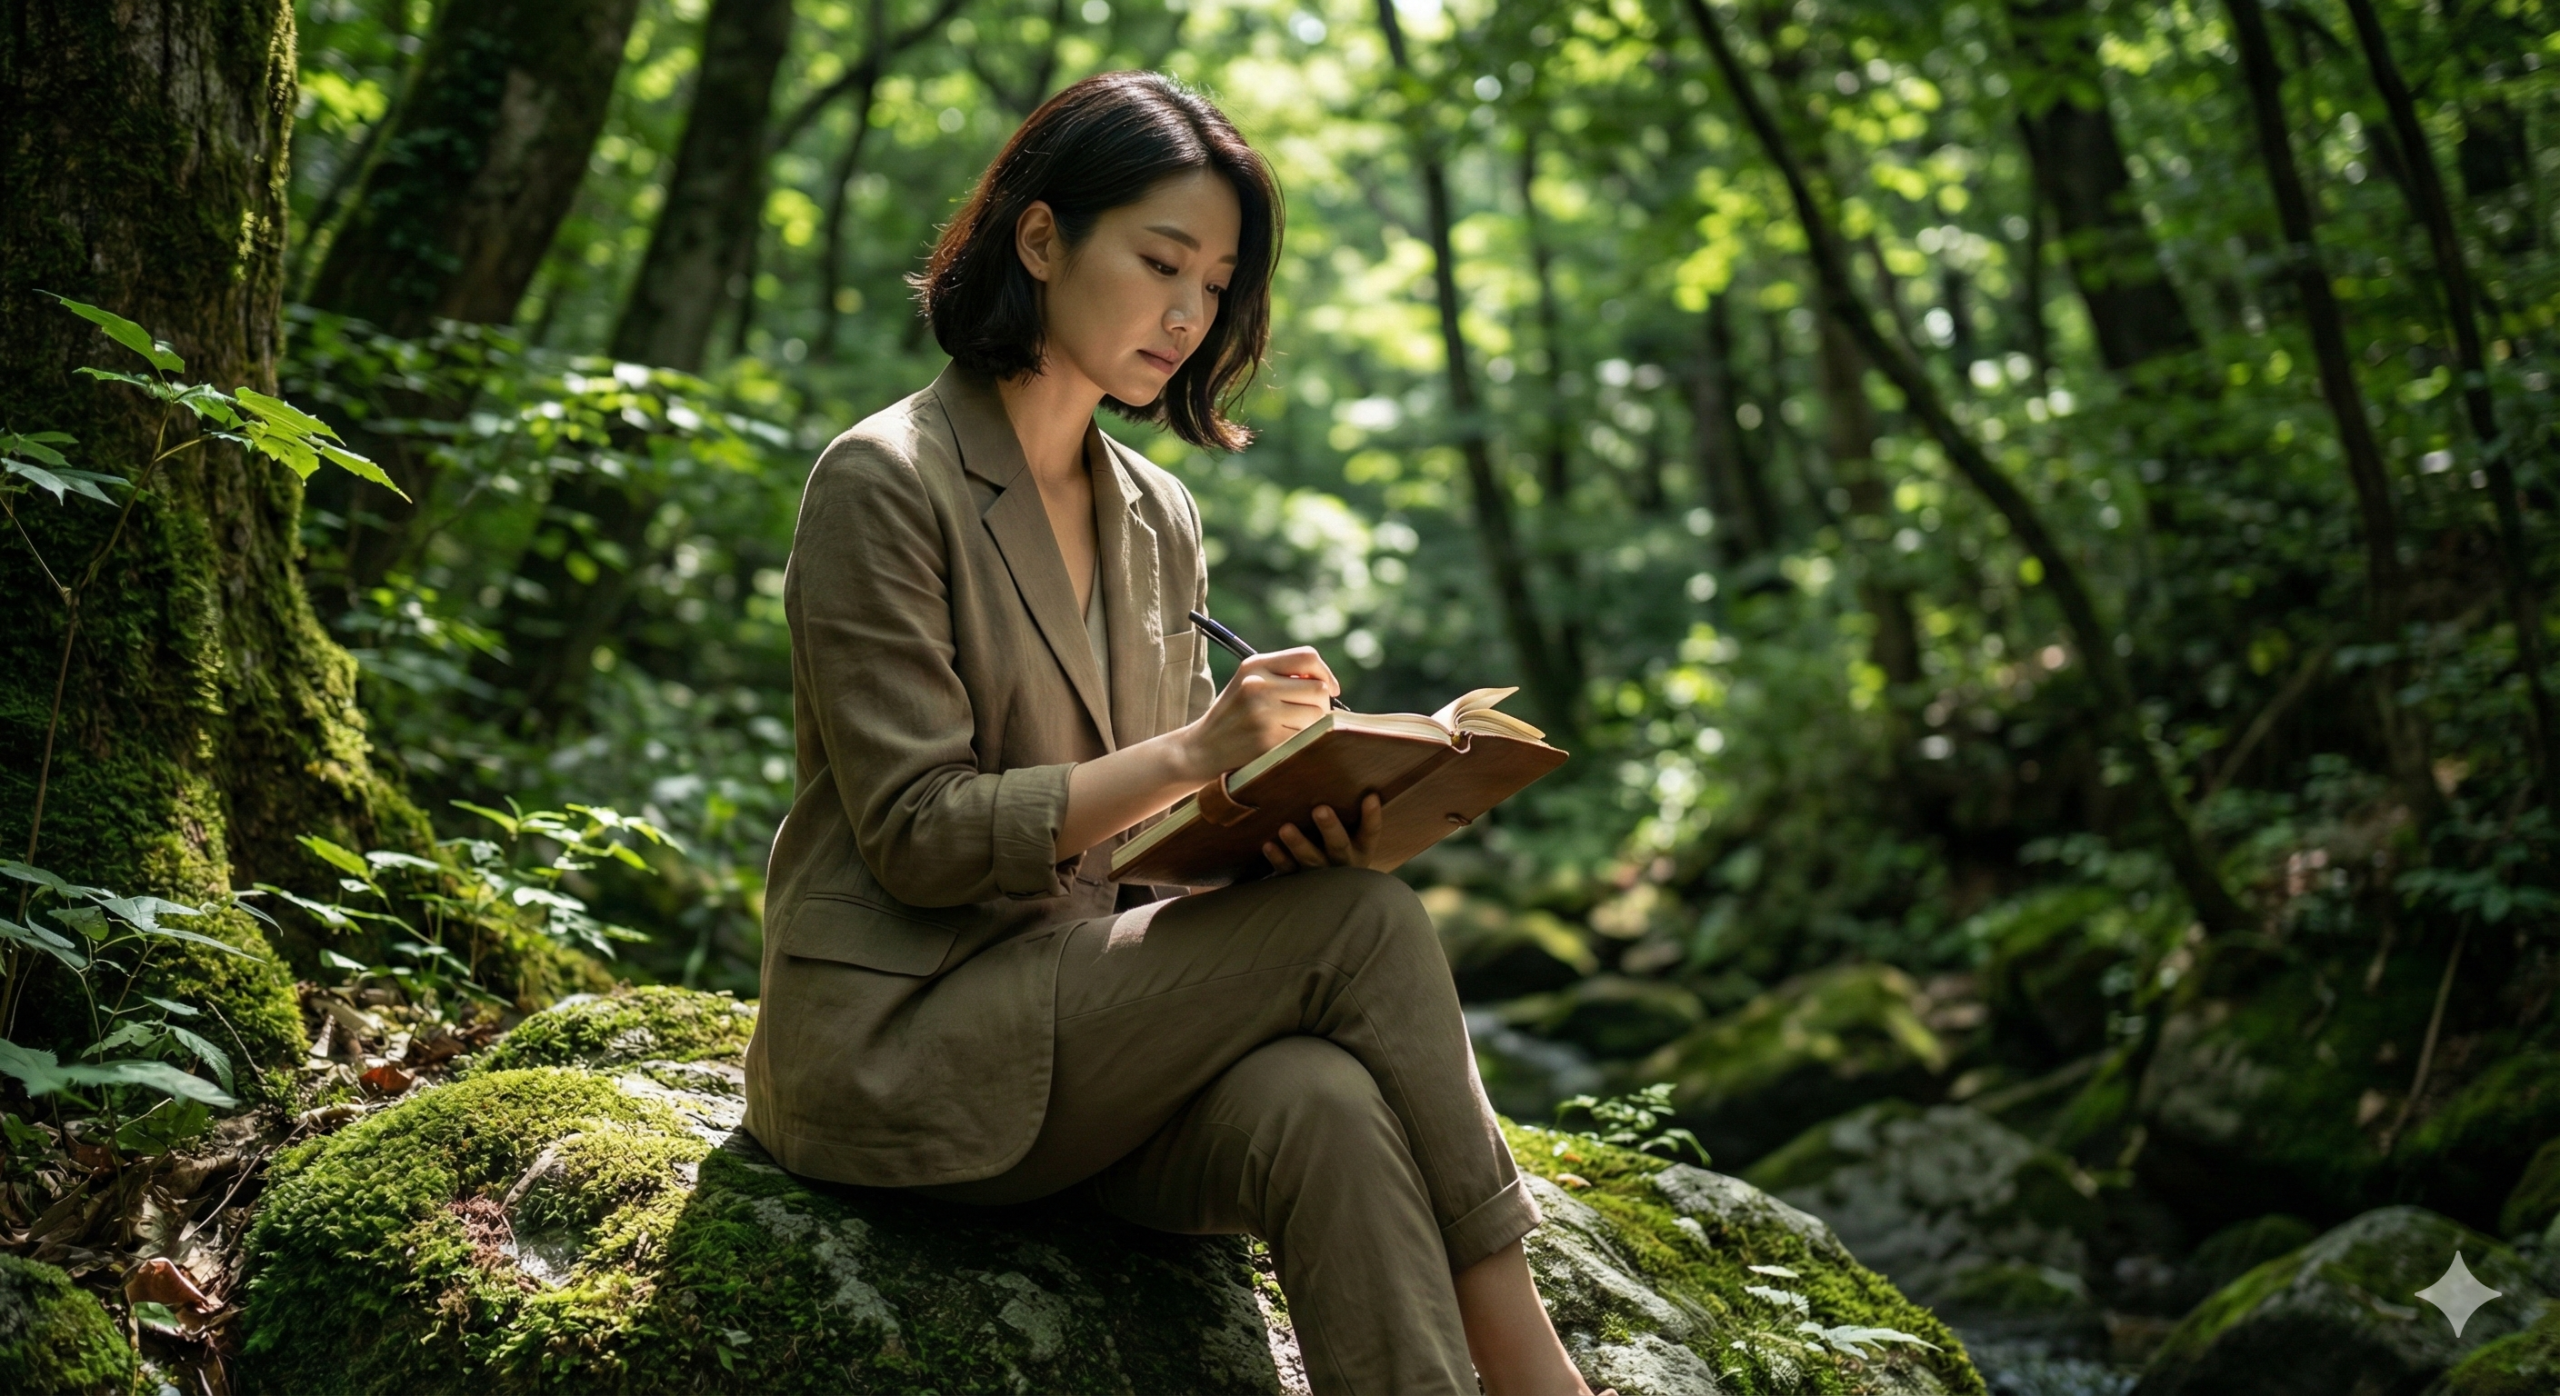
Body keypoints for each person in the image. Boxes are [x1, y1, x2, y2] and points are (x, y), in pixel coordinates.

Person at [741, 70, 1594, 1396]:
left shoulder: (1158, 515)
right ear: (1040, 239)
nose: (1190, 314)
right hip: (905, 1050)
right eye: (1160, 263)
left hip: (1099, 1043)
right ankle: (1536, 1370)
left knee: (1323, 1101)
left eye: (1217, 283)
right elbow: (917, 838)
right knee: (1365, 930)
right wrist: (1199, 752)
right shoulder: (885, 480)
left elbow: (1143, 847)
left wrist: (1272, 828)